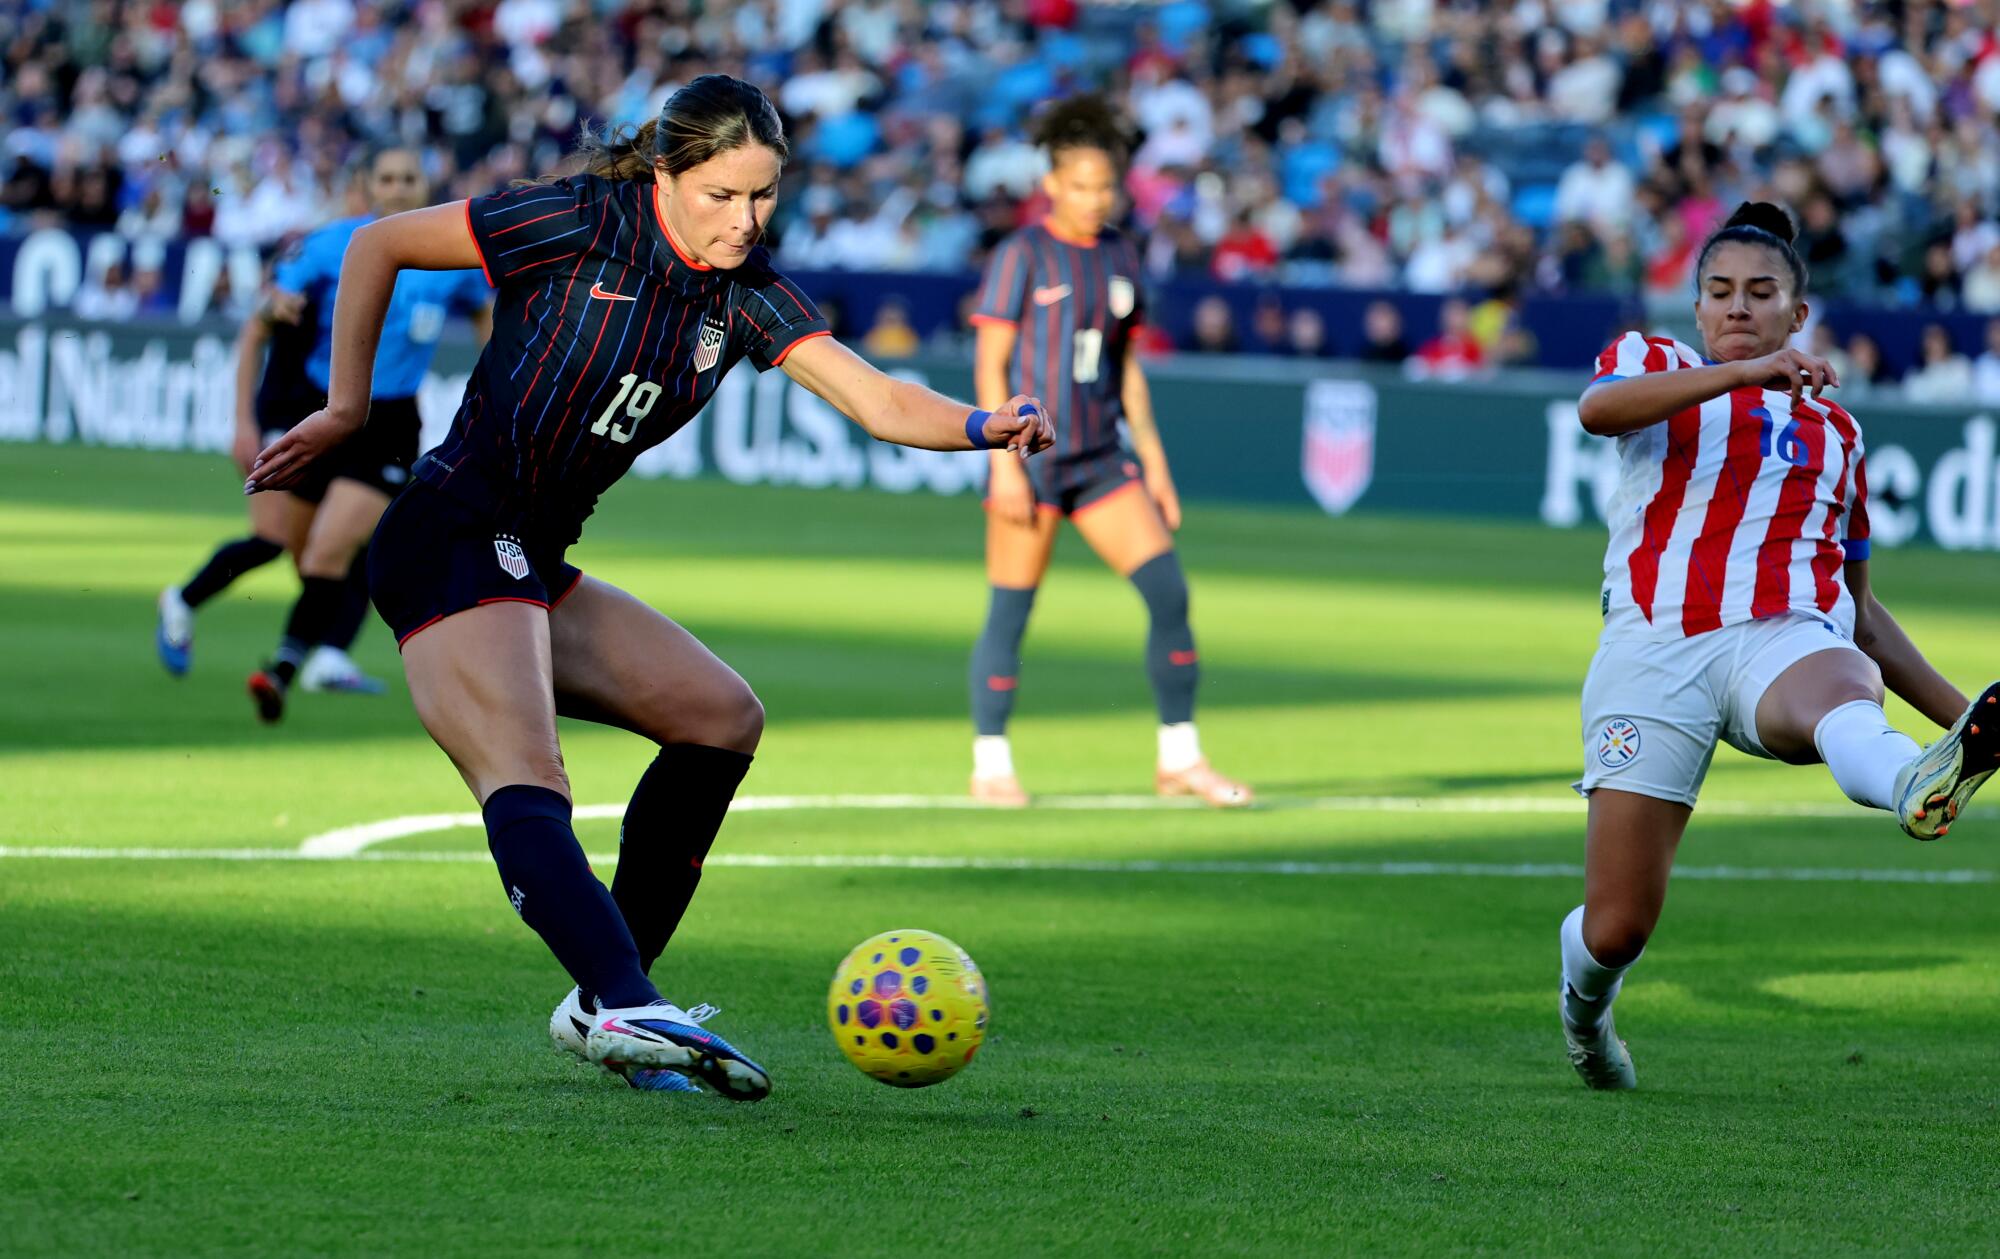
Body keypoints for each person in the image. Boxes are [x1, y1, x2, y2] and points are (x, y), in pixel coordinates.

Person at [245, 76, 1051, 1100]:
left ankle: (606, 1001)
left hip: (532, 555)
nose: (745, 221)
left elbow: (878, 397)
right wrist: (347, 409)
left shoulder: (745, 289)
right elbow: (377, 245)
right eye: (723, 196)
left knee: (720, 716)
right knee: (526, 768)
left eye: (763, 198)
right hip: (449, 529)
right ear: (666, 173)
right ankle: (621, 992)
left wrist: (985, 425)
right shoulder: (575, 219)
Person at [1561, 201, 1999, 1091]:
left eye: (1761, 294)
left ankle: (1920, 774)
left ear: (1798, 316)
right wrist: (1747, 376)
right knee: (1616, 929)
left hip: (1781, 638)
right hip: (1656, 648)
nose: (1736, 307)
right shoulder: (1659, 362)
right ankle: (1587, 1020)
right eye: (1719, 291)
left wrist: (1969, 721)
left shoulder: (1838, 435)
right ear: (1696, 307)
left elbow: (1865, 614)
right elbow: (1598, 411)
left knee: (1848, 674)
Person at [965, 95, 1250, 808]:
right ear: (1052, 183)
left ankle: (1179, 758)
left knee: (1168, 592)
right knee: (1011, 610)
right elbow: (990, 363)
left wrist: (1152, 459)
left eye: (1106, 186)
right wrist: (1001, 461)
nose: (1096, 198)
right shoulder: (1021, 253)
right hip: (1030, 461)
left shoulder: (1122, 254)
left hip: (1099, 459)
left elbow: (1125, 367)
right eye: (1082, 185)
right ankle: (990, 763)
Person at [243, 147, 493, 721]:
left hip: (390, 423)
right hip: (326, 412)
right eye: (388, 178)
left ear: (424, 183)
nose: (399, 187)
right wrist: (277, 301)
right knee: (311, 558)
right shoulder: (336, 242)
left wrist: (492, 372)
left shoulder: (450, 252)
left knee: (330, 547)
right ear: (369, 185)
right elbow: (278, 289)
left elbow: (482, 310)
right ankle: (330, 654)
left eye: (409, 178)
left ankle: (282, 669)